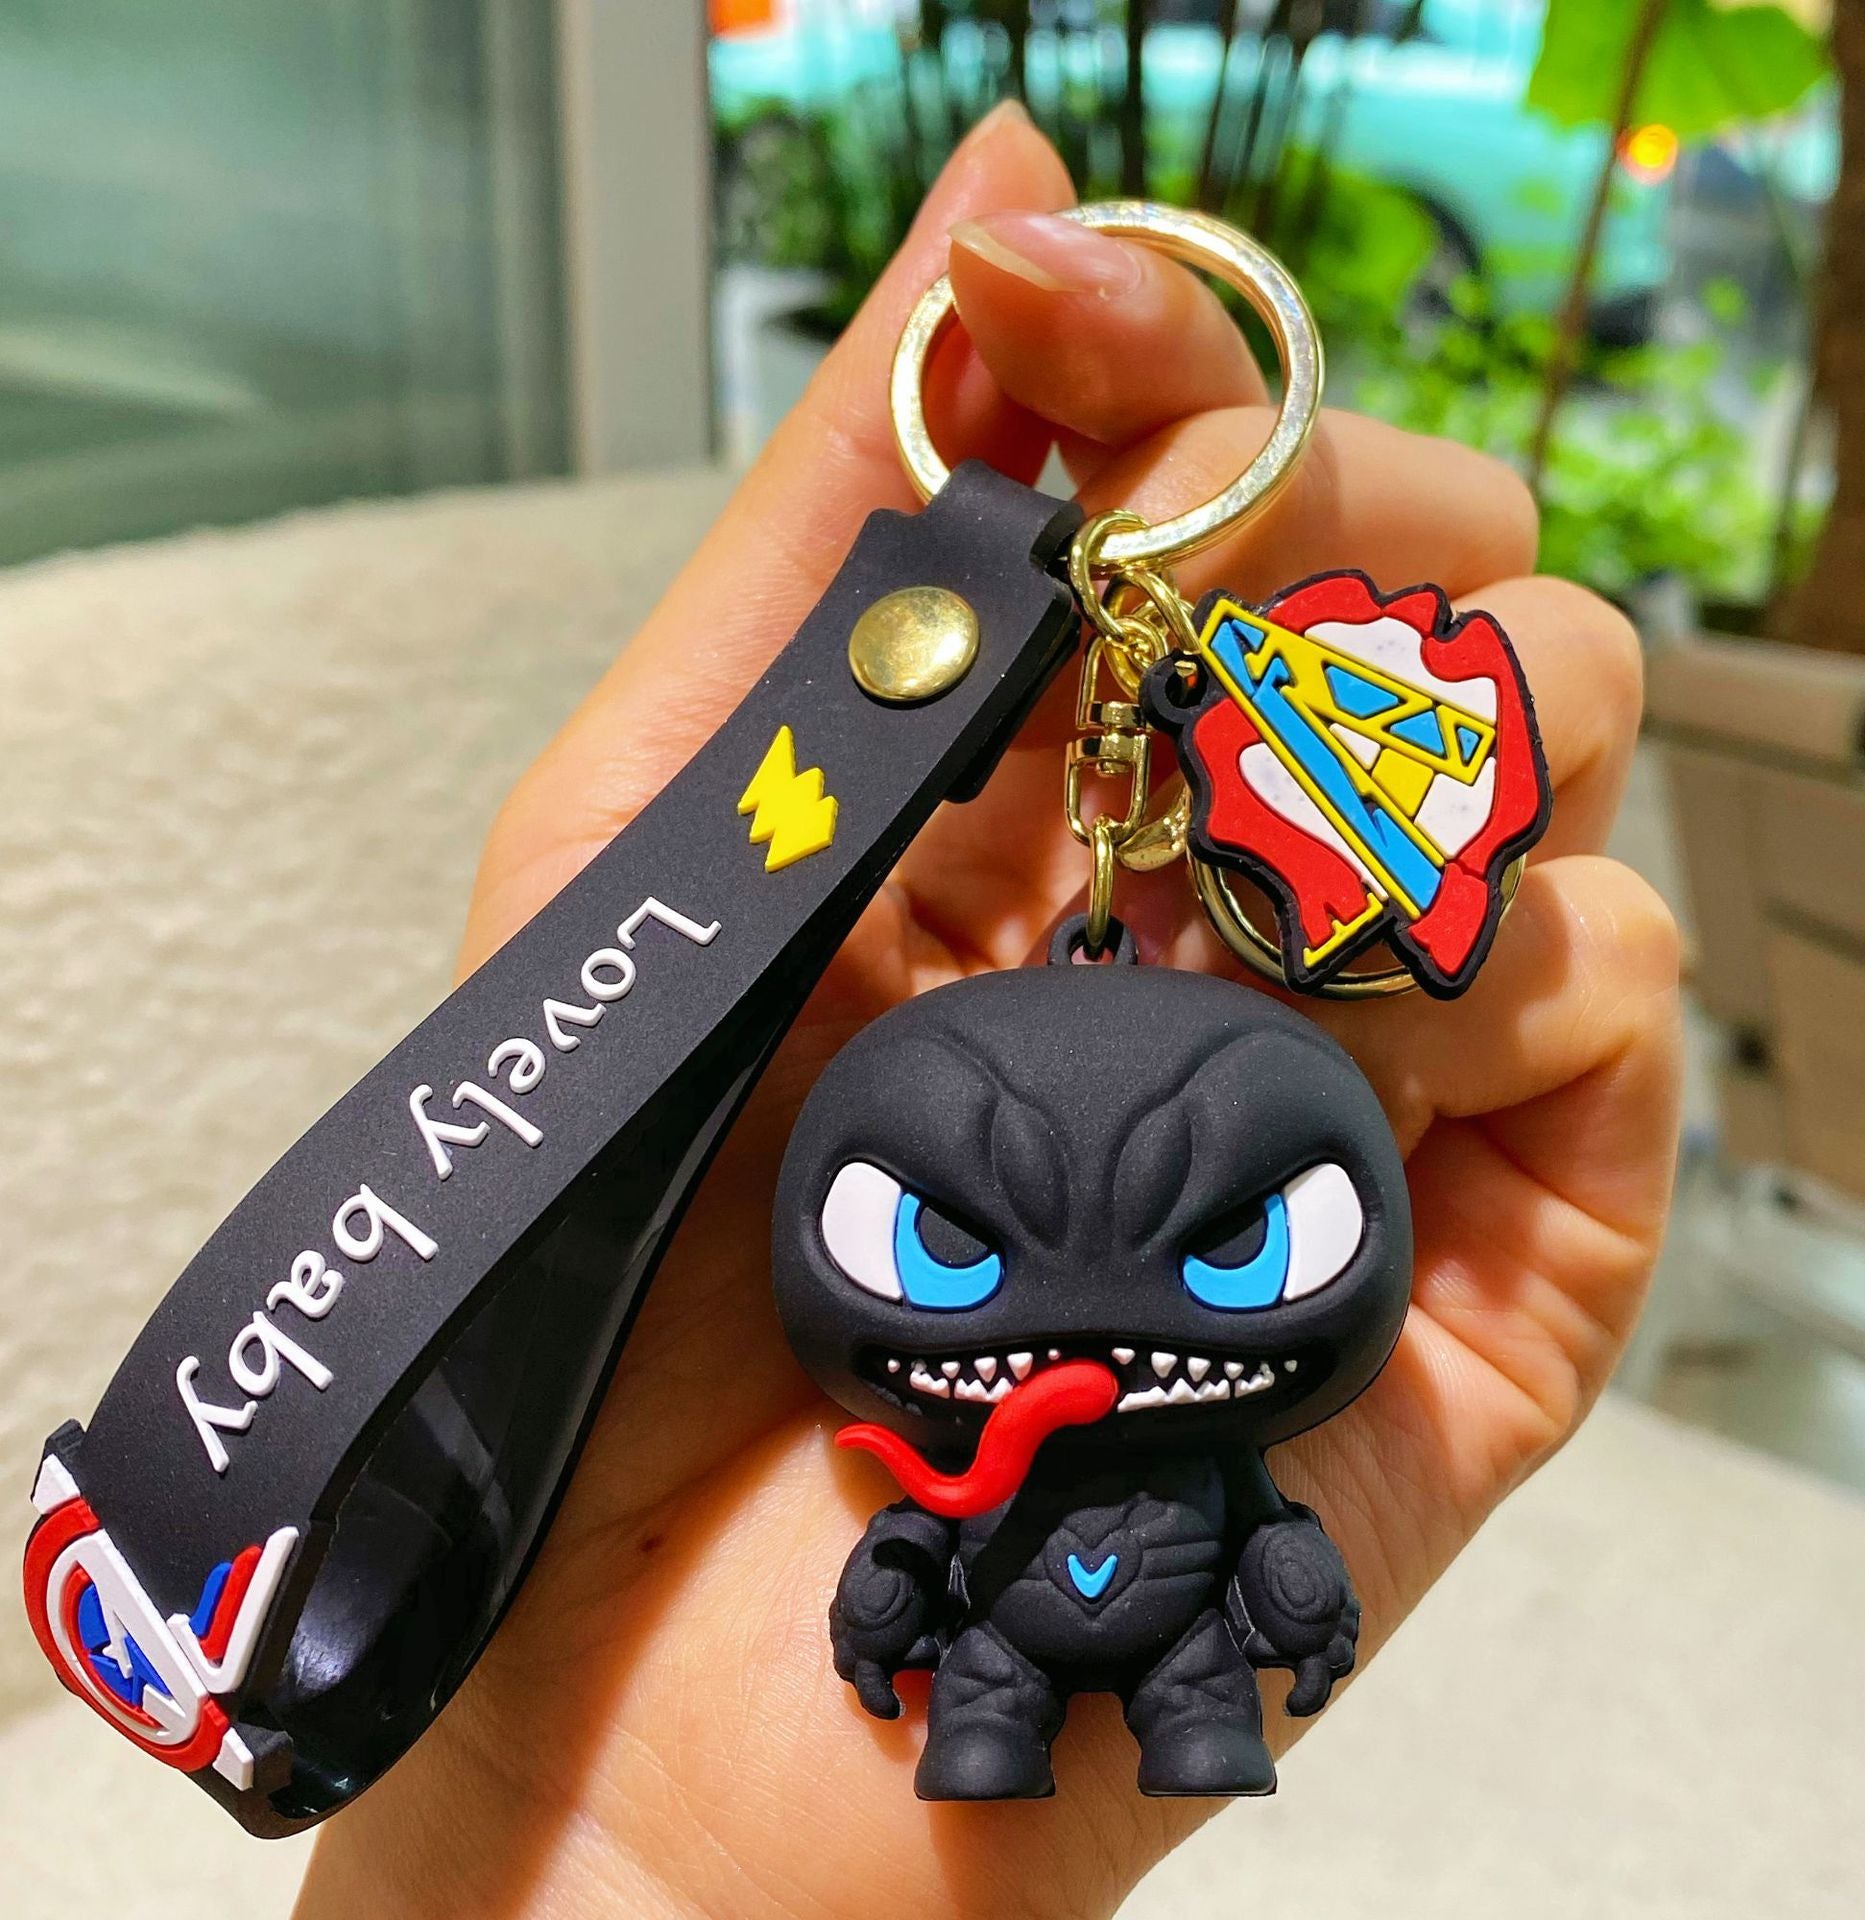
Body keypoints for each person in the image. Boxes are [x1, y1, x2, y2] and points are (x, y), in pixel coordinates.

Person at [294, 102, 1680, 1920]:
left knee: (1185, 1694)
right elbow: (975, 1548)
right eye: (944, 1250)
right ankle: (1043, 1724)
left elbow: (1268, 1542)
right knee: (1013, 1696)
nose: (1089, 1329)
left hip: (1144, 1636)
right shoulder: (825, 1135)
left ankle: (1181, 1720)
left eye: (1244, 1243)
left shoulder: (1121, 1403)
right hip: (976, 1644)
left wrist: (1287, 1598)